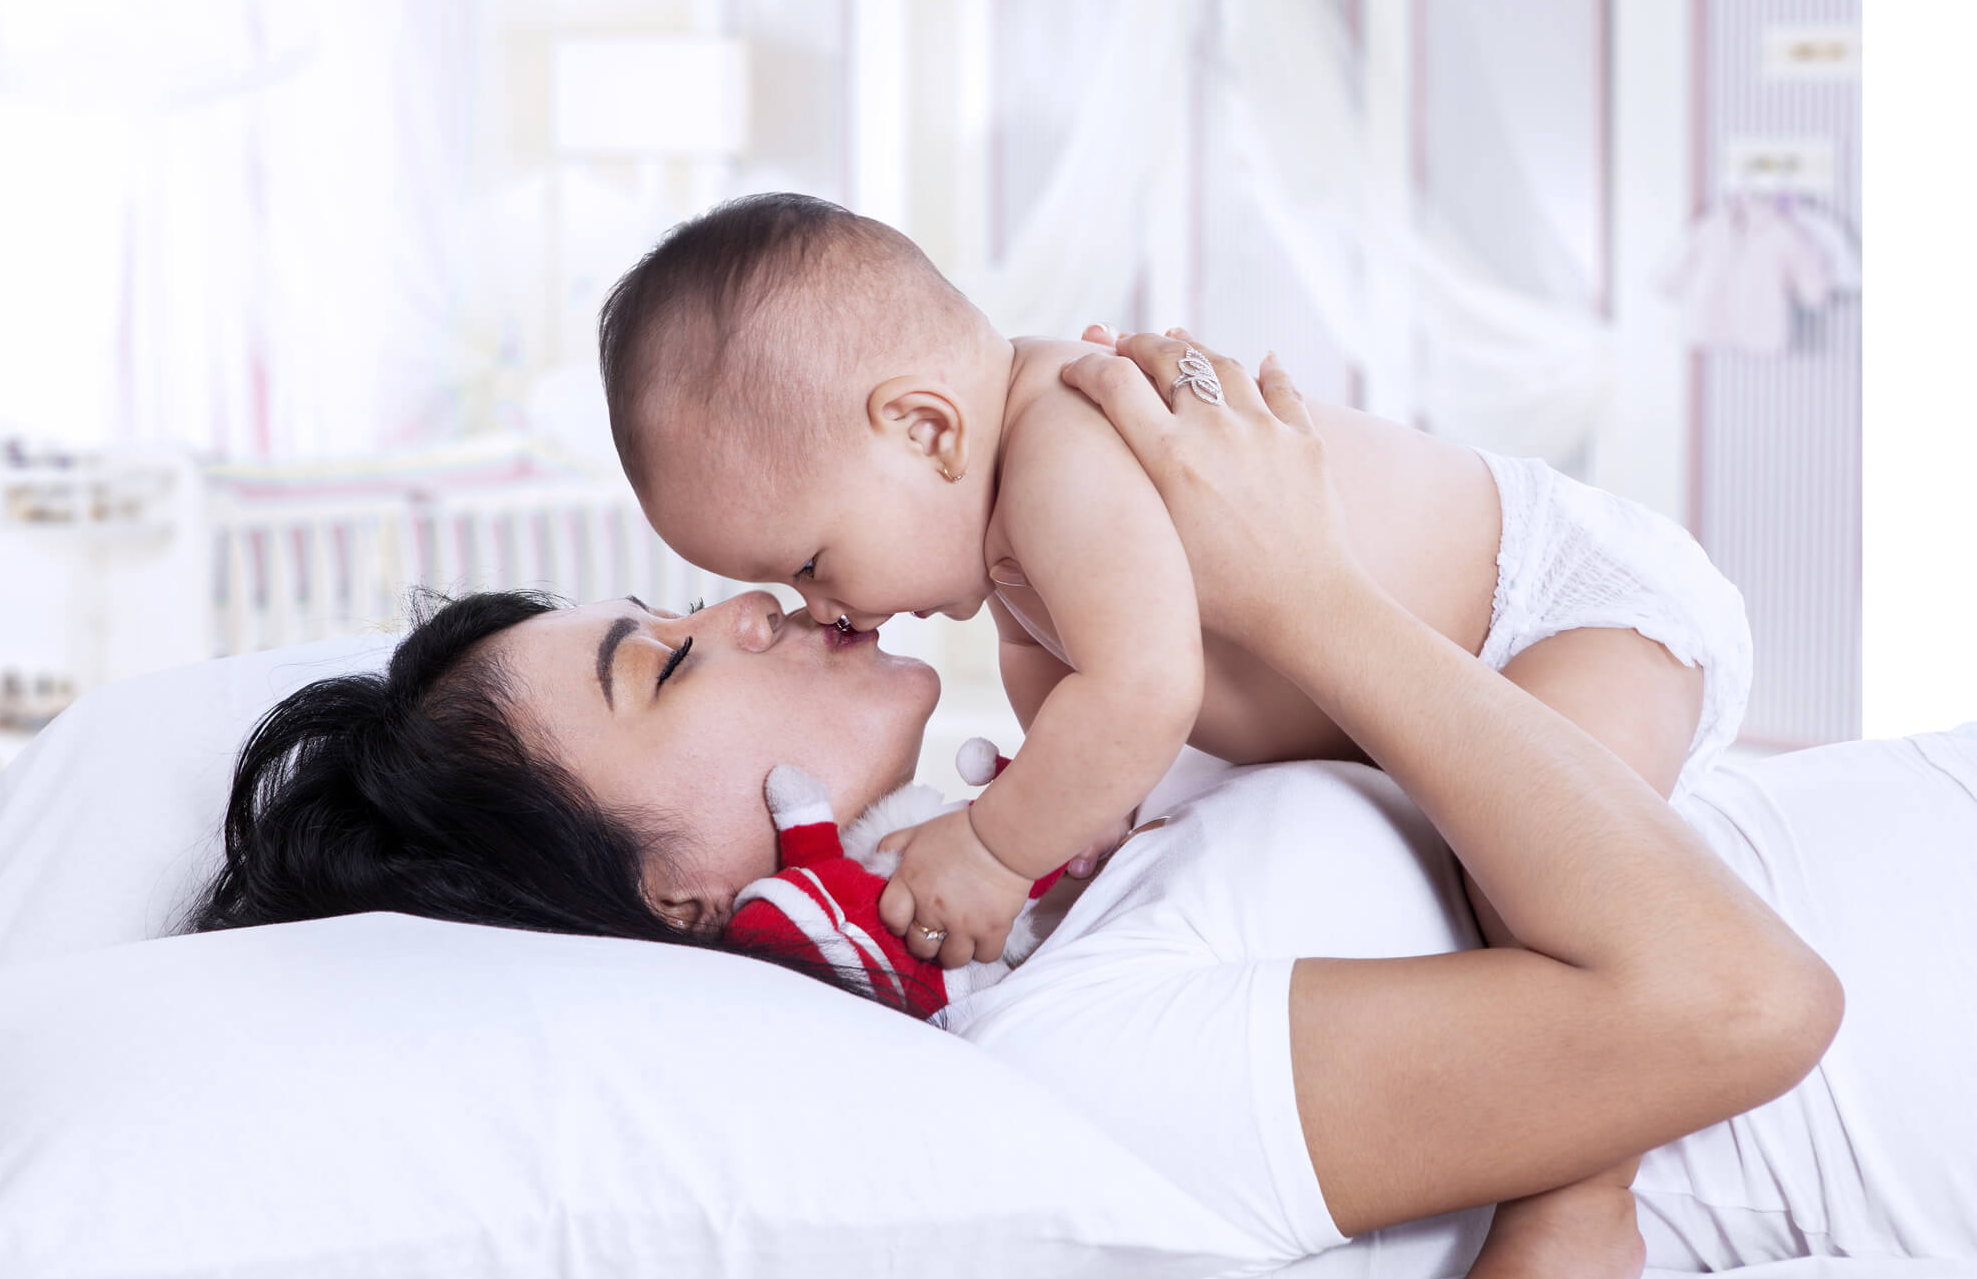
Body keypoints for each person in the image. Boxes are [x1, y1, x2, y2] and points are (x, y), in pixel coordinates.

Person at [182, 340, 1977, 1279]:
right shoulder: (1069, 1065)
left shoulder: (1011, 815)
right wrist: (1306, 591)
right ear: (679, 896)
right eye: (660, 662)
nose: (742, 604)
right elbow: (1743, 998)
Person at [593, 191, 1753, 999]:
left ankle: (1581, 1201)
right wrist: (1086, 814)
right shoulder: (1006, 543)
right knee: (1468, 892)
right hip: (1425, 688)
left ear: (924, 429)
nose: (819, 608)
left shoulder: (1062, 446)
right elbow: (1085, 711)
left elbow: (1144, 686)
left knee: (1542, 909)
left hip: (1564, 610)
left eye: (808, 561)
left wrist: (996, 848)